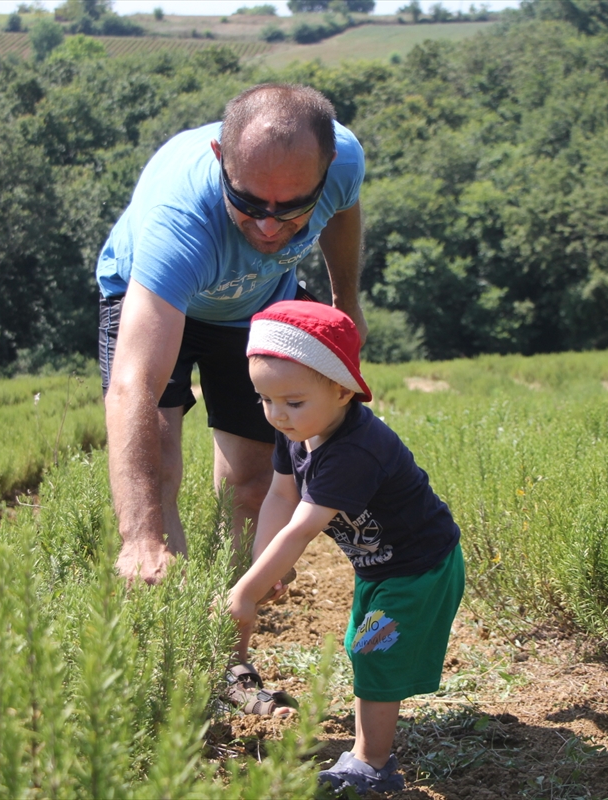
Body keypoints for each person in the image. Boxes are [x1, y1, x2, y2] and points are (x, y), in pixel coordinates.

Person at [97, 83, 368, 585]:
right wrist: (139, 538)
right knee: (157, 468)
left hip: (255, 303)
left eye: (291, 209)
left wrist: (345, 300)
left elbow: (344, 208)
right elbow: (133, 384)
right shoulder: (177, 222)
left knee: (252, 482)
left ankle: (230, 628)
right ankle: (169, 613)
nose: (268, 227)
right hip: (156, 297)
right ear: (221, 158)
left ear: (326, 168)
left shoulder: (343, 161)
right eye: (247, 202)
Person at [226, 301, 466, 796]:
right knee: (366, 647)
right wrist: (263, 568)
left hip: (419, 571)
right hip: (378, 569)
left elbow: (302, 528)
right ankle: (367, 753)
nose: (278, 415)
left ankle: (373, 765)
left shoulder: (354, 450)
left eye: (292, 401)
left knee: (372, 649)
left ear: (342, 390)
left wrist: (247, 591)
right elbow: (280, 495)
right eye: (265, 401)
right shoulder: (298, 431)